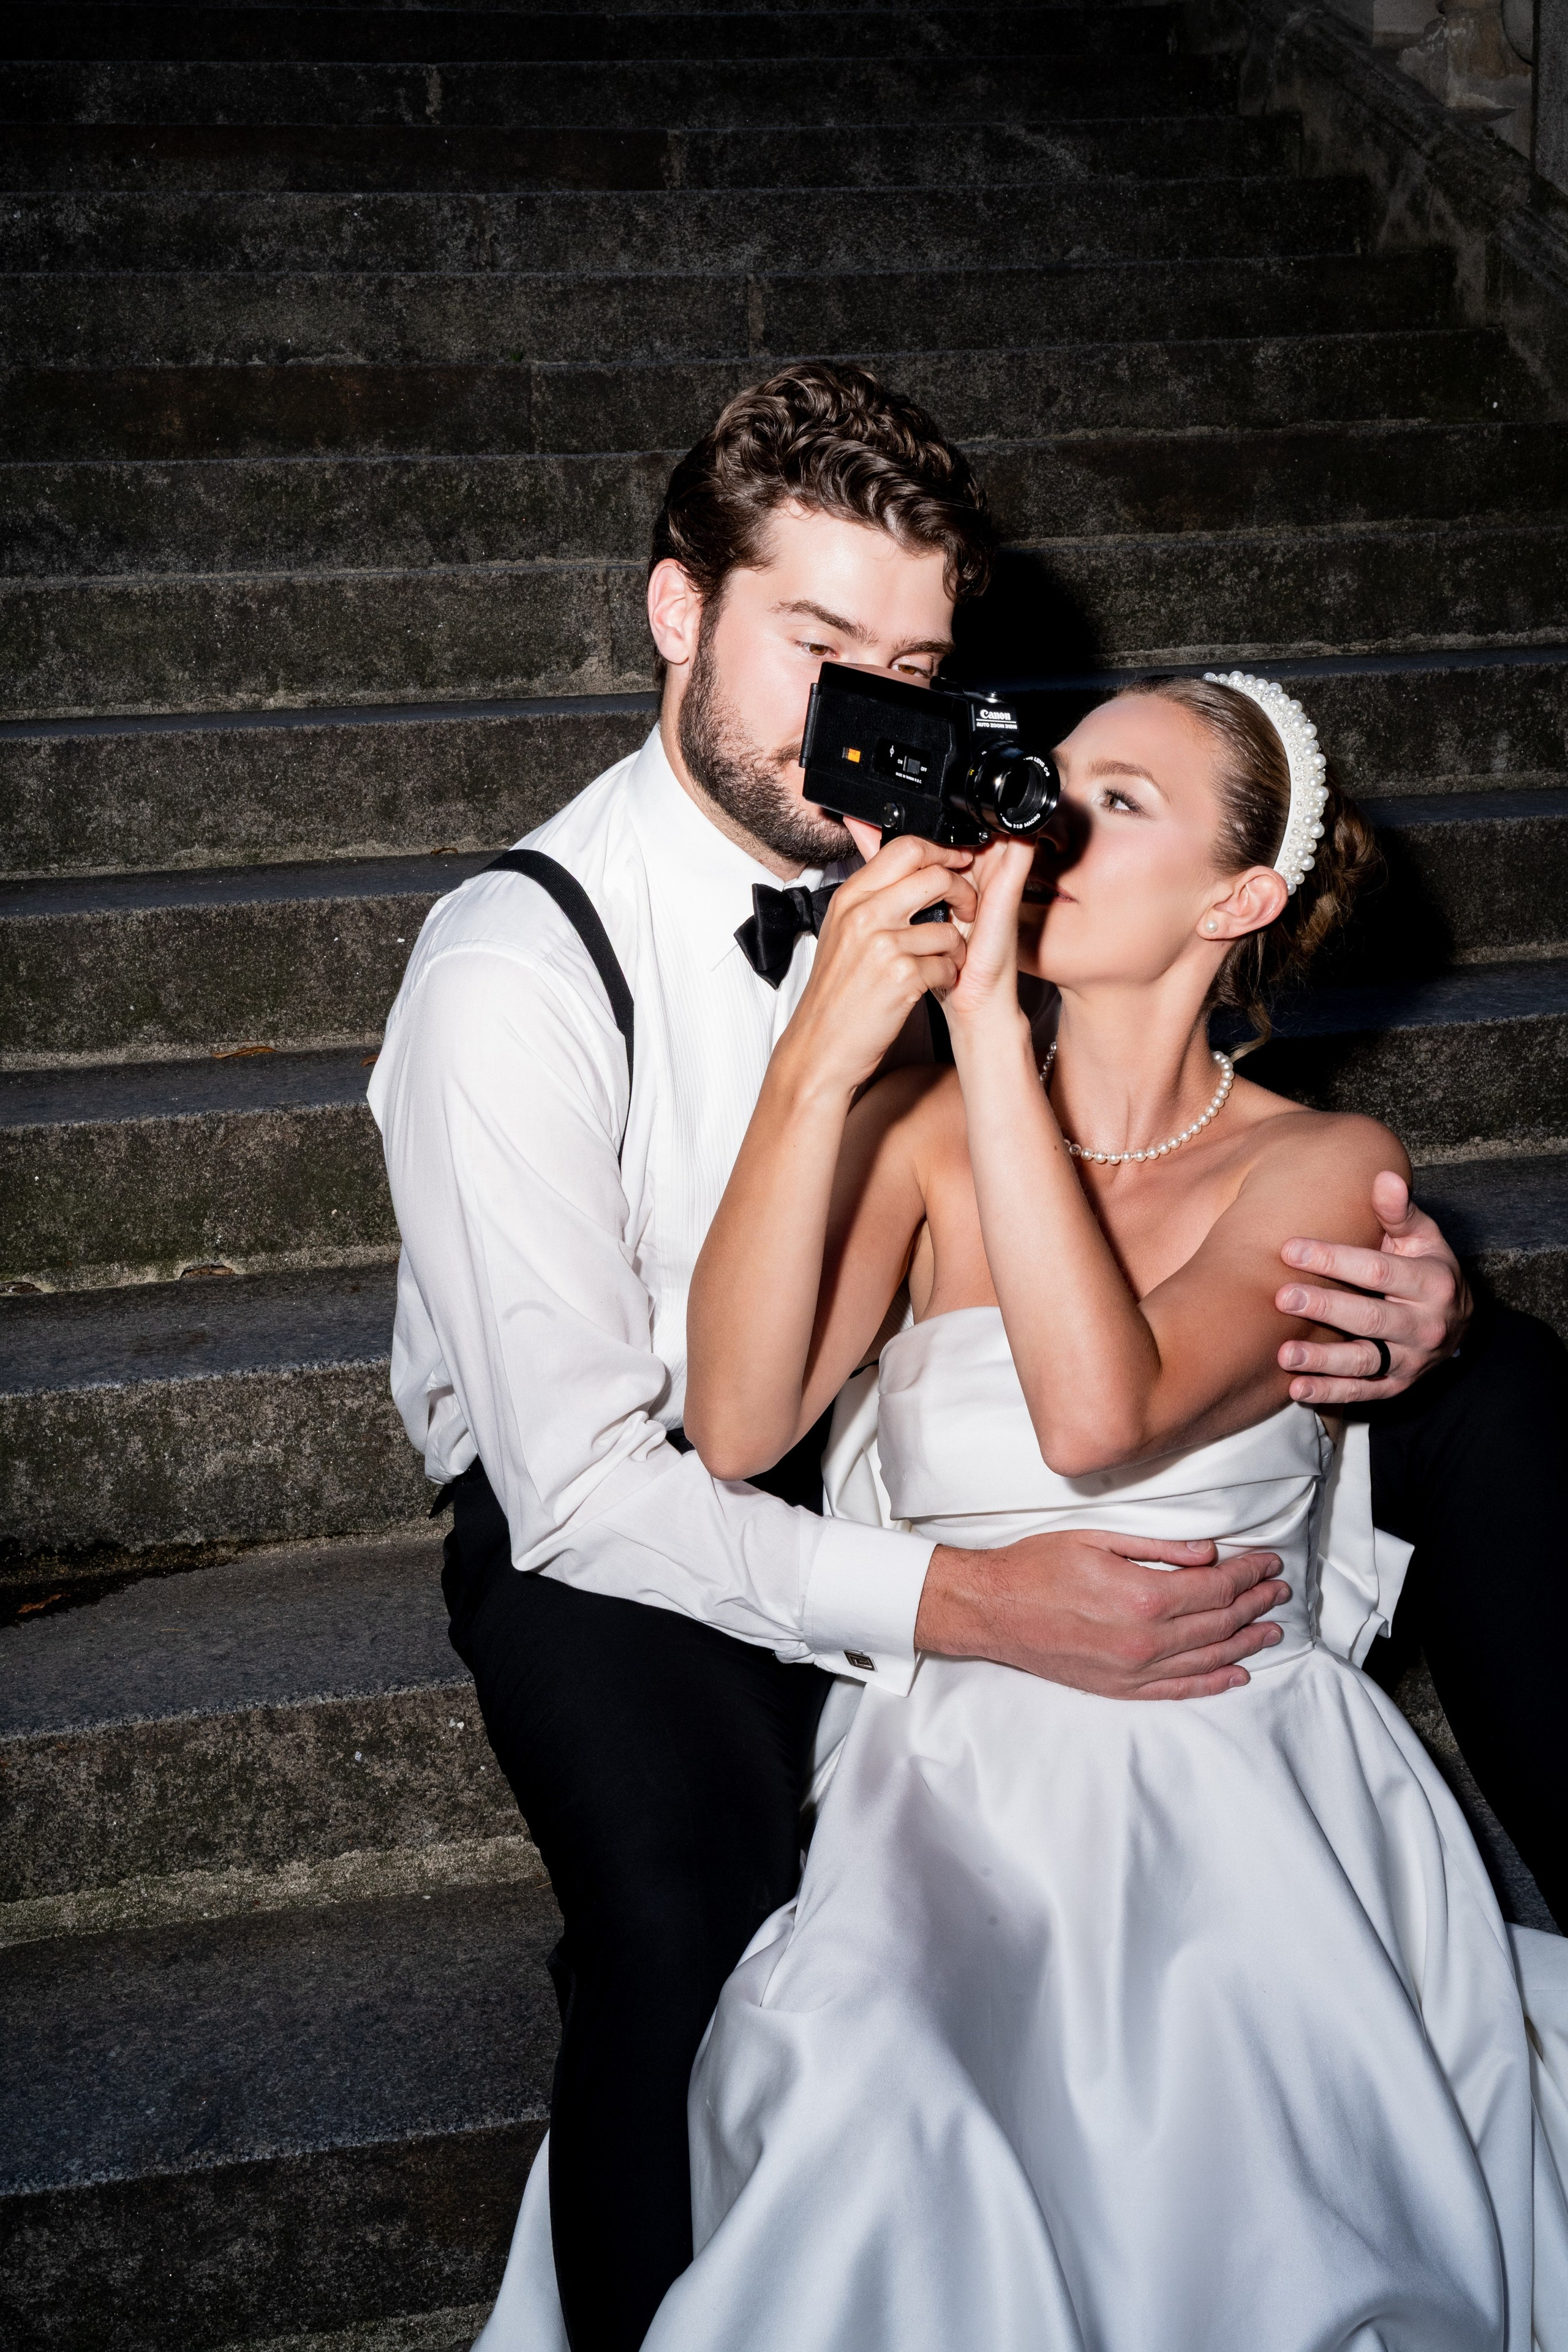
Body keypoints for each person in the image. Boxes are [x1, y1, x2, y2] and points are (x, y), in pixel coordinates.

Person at [367, 366, 1528, 2352]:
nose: (865, 714)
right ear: (679, 615)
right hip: (628, 1505)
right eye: (814, 645)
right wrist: (969, 1603)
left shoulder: (967, 856)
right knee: (686, 1918)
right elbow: (623, 1476)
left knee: (1506, 1402)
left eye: (907, 661)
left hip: (956, 1388)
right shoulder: (512, 972)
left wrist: (1427, 1313)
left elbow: (1157, 1172)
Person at [641, 671, 1568, 2349]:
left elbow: (1096, 1414)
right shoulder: (921, 1141)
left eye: (1119, 801)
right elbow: (733, 1421)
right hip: (953, 1778)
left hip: (1235, 1772)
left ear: (1242, 898)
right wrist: (821, 1061)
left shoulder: (1320, 1155)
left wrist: (991, 1020)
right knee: (878, 2119)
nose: (1049, 820)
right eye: (1046, 781)